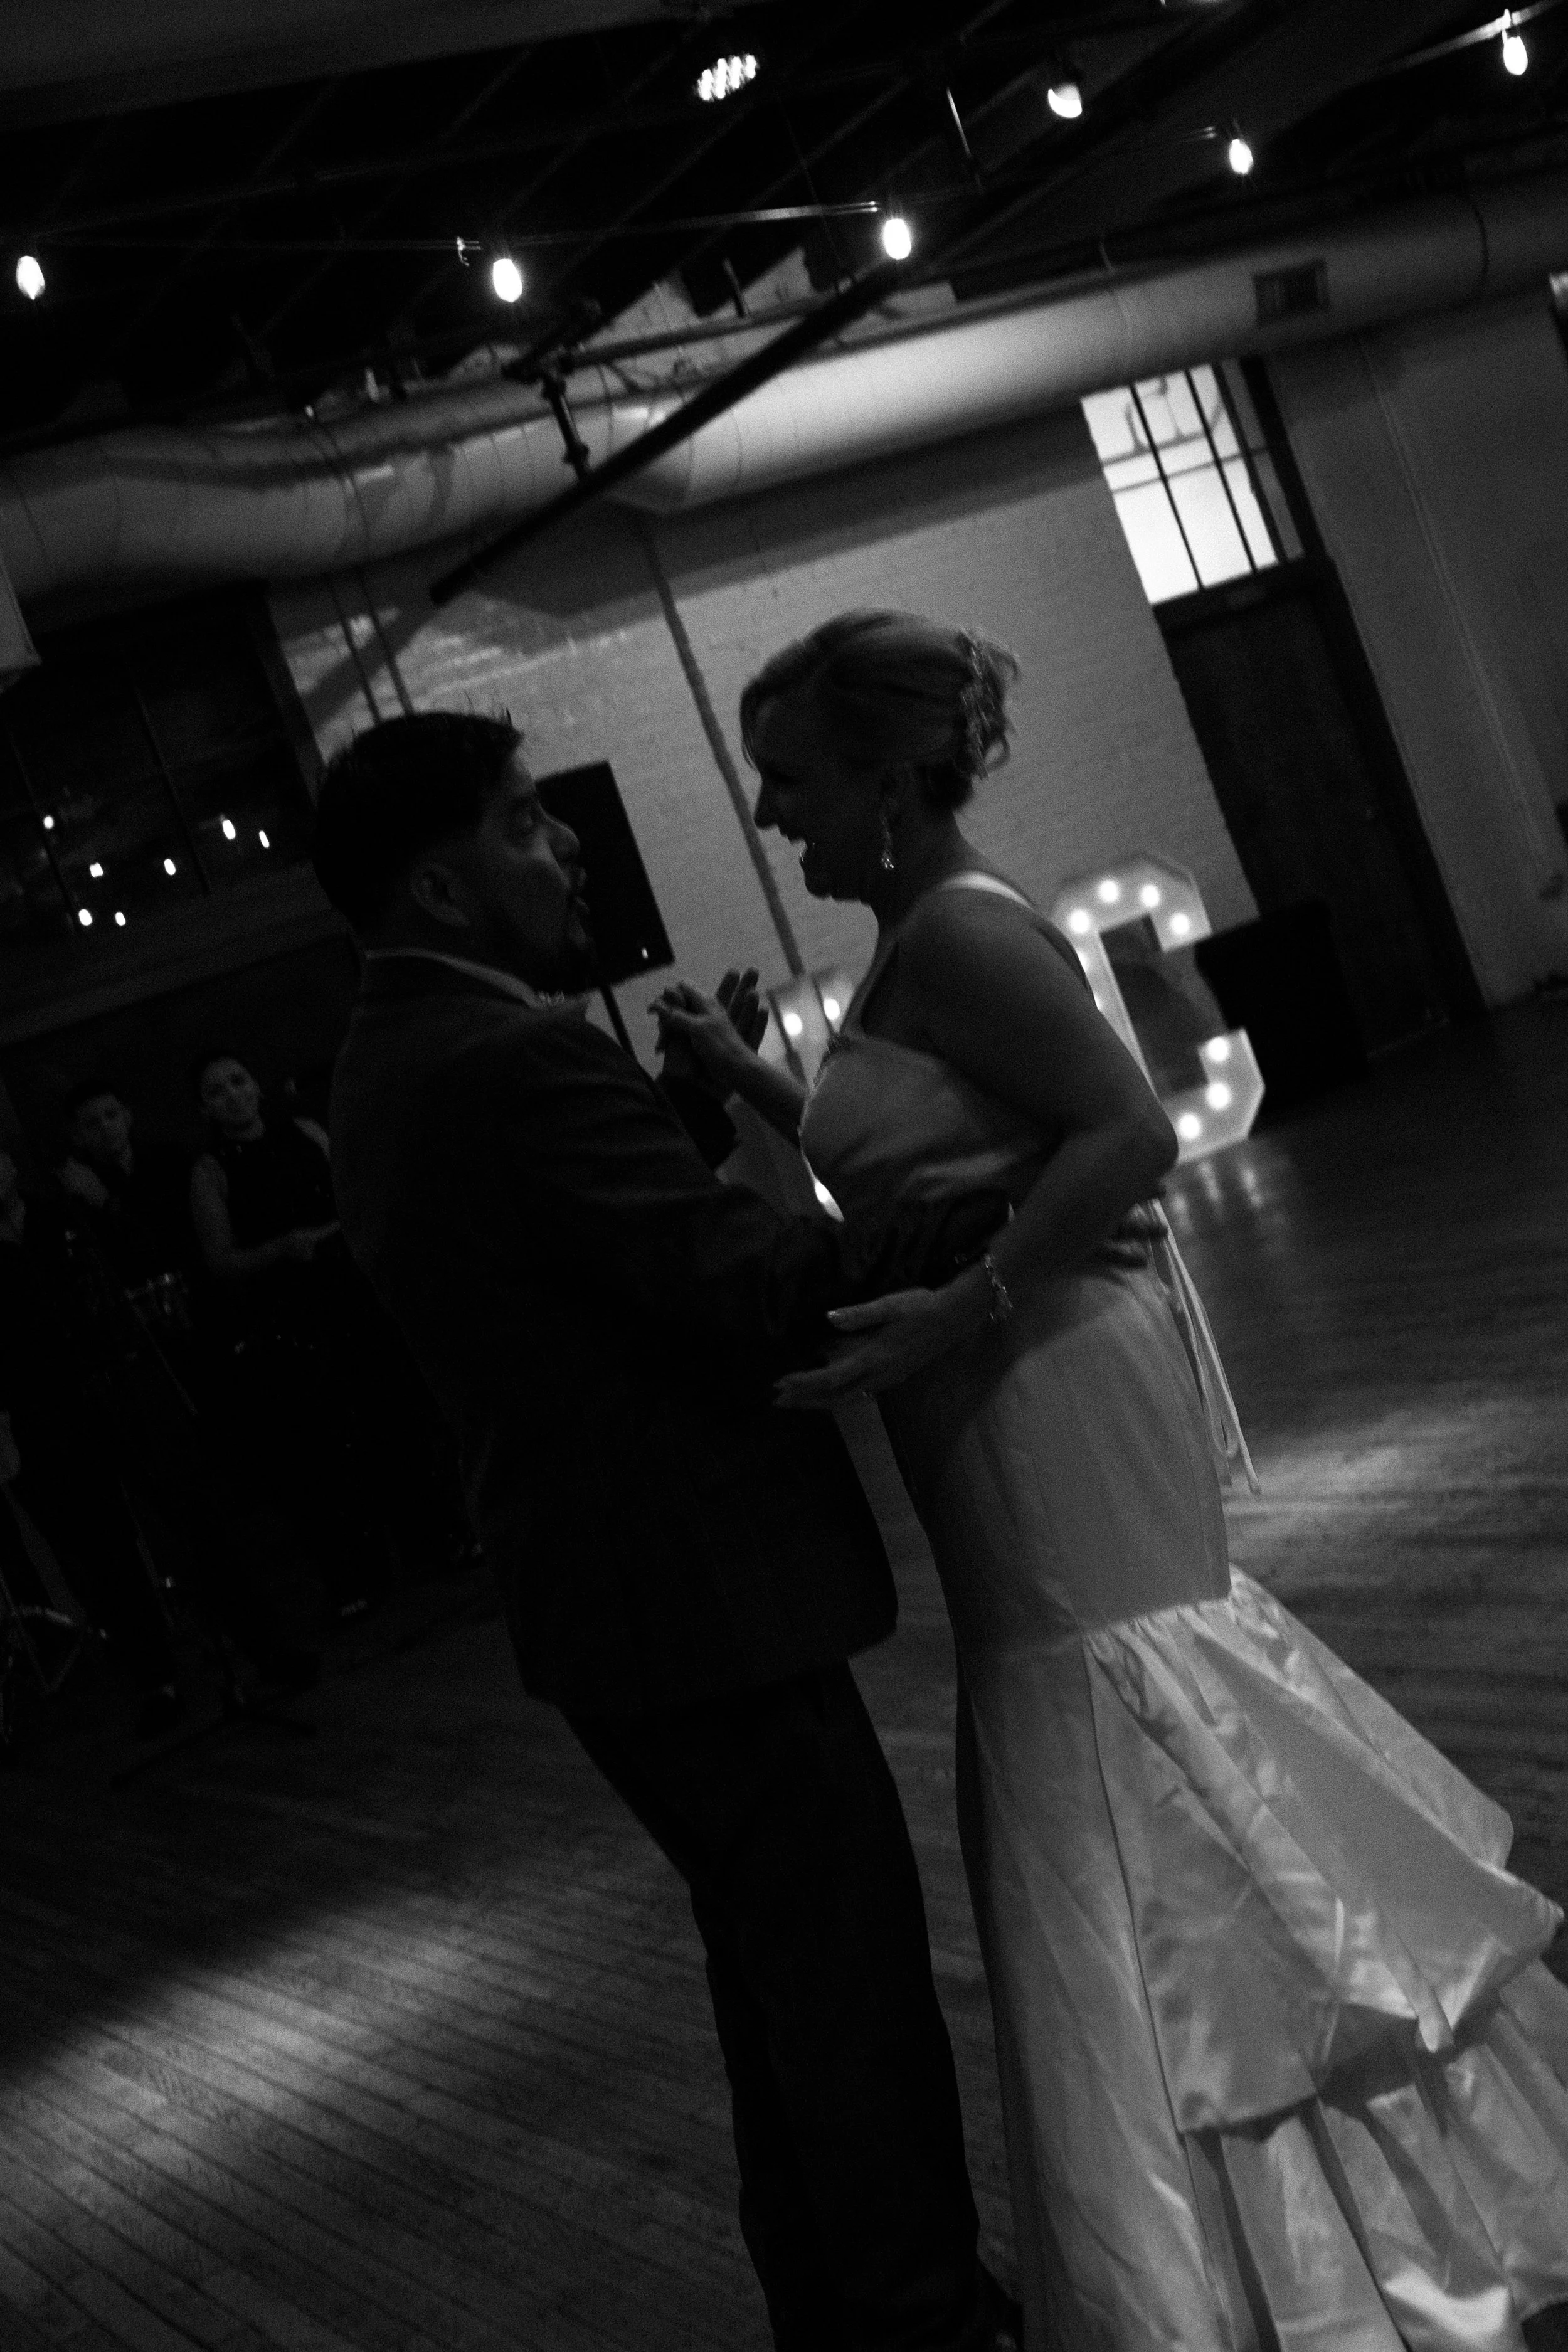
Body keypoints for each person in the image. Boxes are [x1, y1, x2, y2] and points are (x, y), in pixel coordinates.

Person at [653, 610, 1568, 2352]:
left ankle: (1281, 2248)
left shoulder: (965, 934)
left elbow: (1132, 1134)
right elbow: (932, 1159)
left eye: (789, 780)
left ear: (888, 781)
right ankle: (1274, 2219)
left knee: (1126, 1722)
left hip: (1049, 1376)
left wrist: (969, 1302)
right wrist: (754, 1086)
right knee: (1108, 1742)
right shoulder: (914, 935)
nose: (772, 816)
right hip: (1002, 1378)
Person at [310, 709, 1020, 2352]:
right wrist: (984, 1197)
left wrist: (700, 1120)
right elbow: (739, 1291)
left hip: (609, 1605)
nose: (561, 847)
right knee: (843, 1992)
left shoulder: (394, 1050)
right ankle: (920, 2320)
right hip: (704, 1600)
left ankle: (840, 2311)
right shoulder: (509, 1054)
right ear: (440, 878)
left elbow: (568, 1251)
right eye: (517, 824)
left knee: (774, 1983)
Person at [0, 1144, 184, 1739]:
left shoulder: (59, 1219)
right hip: (43, 1422)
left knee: (179, 1511)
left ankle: (246, 1639)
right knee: (100, 1558)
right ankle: (155, 1676)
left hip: (112, 1391)